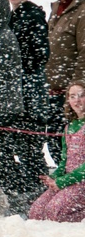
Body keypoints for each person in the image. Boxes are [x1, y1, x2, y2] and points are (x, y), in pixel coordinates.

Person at [0, 0, 38, 216]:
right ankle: (22, 201)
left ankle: (22, 203)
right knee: (3, 163)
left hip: (3, 112)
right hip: (2, 109)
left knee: (1, 164)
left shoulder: (3, 38)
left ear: (3, 14)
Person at [2, 0, 50, 197]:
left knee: (30, 144)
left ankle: (39, 194)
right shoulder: (10, 16)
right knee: (21, 144)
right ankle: (31, 195)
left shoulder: (32, 14)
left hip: (30, 89)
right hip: (18, 89)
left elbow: (41, 53)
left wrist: (18, 63)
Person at [45, 0, 85, 161]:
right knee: (55, 143)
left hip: (73, 95)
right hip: (54, 90)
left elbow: (84, 53)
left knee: (74, 152)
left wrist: (75, 92)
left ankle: (74, 191)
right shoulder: (56, 9)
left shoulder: (82, 10)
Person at [28, 81, 85, 222]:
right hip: (68, 181)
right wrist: (55, 177)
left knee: (54, 212)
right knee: (36, 212)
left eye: (81, 95)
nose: (77, 100)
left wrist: (63, 181)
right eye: (72, 96)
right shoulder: (68, 127)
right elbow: (65, 160)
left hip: (81, 182)